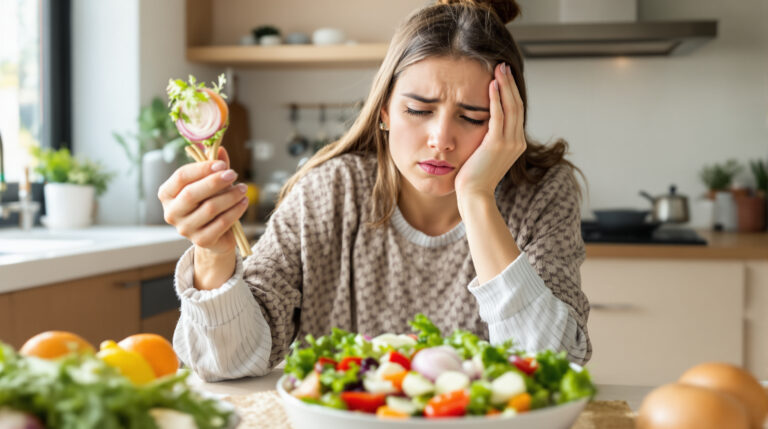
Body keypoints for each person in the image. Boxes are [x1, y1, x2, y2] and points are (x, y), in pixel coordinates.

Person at [158, 0, 591, 382]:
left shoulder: (542, 194)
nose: (441, 138)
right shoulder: (329, 192)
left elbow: (548, 365)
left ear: (507, 121)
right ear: (384, 109)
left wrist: (476, 197)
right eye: (419, 110)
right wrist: (213, 253)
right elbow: (227, 362)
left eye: (473, 117)